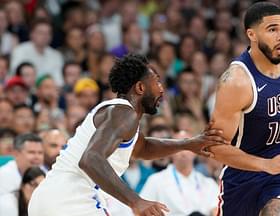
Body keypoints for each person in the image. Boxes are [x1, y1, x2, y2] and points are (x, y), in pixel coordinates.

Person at [28, 54, 228, 216]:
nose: (162, 89)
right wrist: (136, 201)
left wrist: (187, 144)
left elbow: (143, 149)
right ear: (140, 88)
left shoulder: (121, 115)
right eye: (157, 82)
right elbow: (90, 159)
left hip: (52, 198)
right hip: (70, 200)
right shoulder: (124, 113)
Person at [206, 2, 280, 215]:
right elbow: (215, 148)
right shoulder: (236, 82)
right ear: (251, 34)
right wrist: (265, 164)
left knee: (278, 210)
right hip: (241, 174)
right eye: (272, 29)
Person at [140, 130, 219, 216]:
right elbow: (142, 210)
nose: (183, 153)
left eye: (189, 147)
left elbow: (217, 210)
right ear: (169, 152)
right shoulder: (156, 180)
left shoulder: (208, 183)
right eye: (179, 147)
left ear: (197, 151)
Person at [0, 133, 44, 216]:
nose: (37, 157)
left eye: (40, 153)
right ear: (16, 154)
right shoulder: (2, 176)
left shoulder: (45, 173)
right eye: (31, 152)